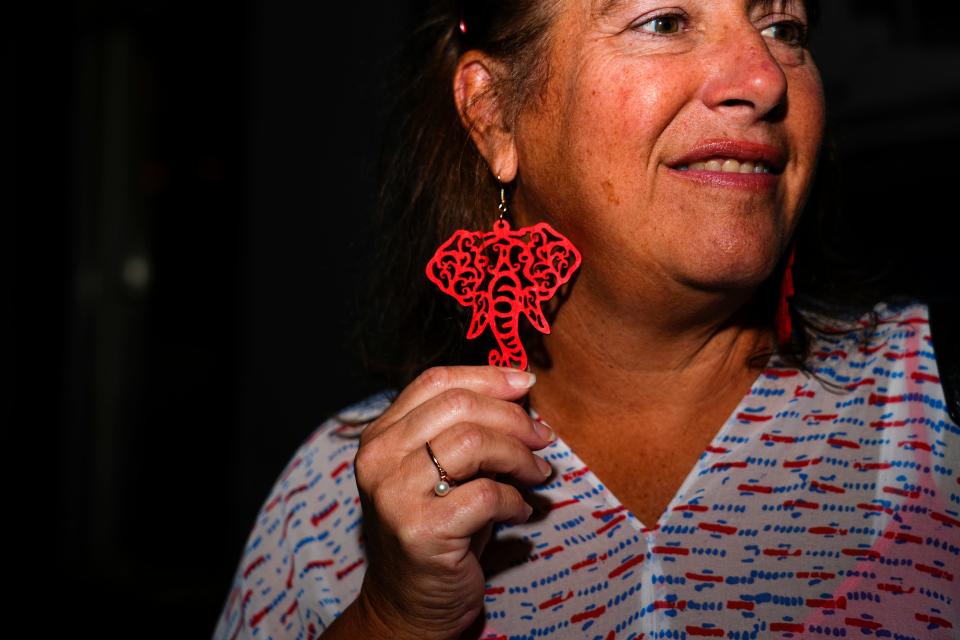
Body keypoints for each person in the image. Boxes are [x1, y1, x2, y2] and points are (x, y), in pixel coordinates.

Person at [213, 1, 960, 638]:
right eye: (665, 20)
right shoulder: (332, 501)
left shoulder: (936, 410)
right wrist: (389, 619)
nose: (765, 79)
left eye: (784, 27)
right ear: (492, 113)